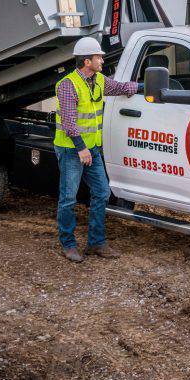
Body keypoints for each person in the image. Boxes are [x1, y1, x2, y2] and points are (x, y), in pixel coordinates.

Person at [54, 37, 138, 262]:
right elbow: (70, 123)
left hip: (91, 148)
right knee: (68, 198)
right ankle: (68, 245)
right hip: (72, 149)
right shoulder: (67, 85)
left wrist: (145, 87)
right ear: (87, 61)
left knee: (102, 192)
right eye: (98, 57)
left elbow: (121, 87)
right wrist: (81, 148)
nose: (102, 60)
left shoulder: (99, 80)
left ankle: (96, 243)